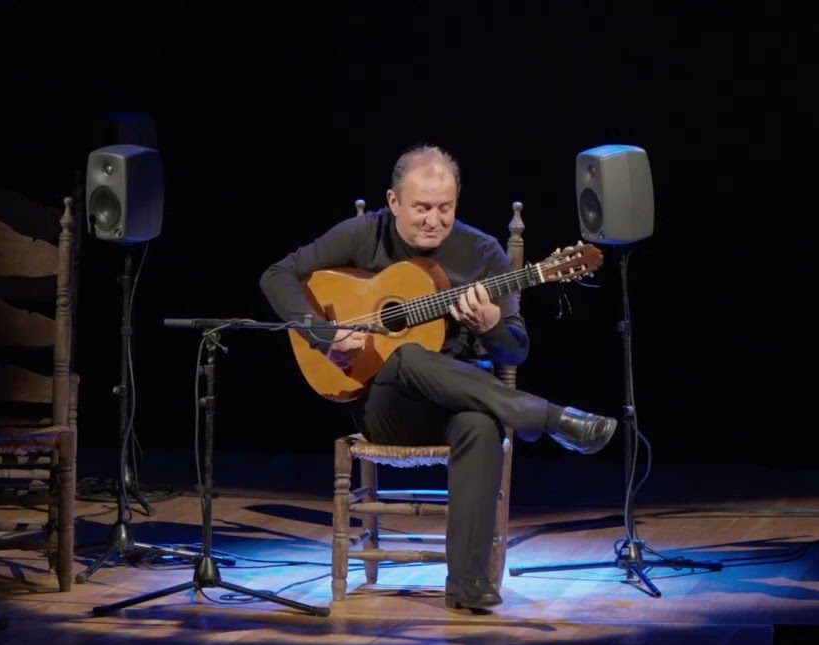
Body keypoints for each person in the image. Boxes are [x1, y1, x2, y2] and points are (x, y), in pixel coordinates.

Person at [259, 144, 618, 610]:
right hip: (385, 406)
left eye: (445, 208)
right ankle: (547, 417)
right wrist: (324, 335)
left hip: (460, 401)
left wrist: (489, 325)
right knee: (407, 355)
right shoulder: (364, 234)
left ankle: (468, 583)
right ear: (393, 202)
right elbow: (276, 275)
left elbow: (516, 347)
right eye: (422, 208)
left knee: (481, 424)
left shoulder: (483, 253)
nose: (434, 220)